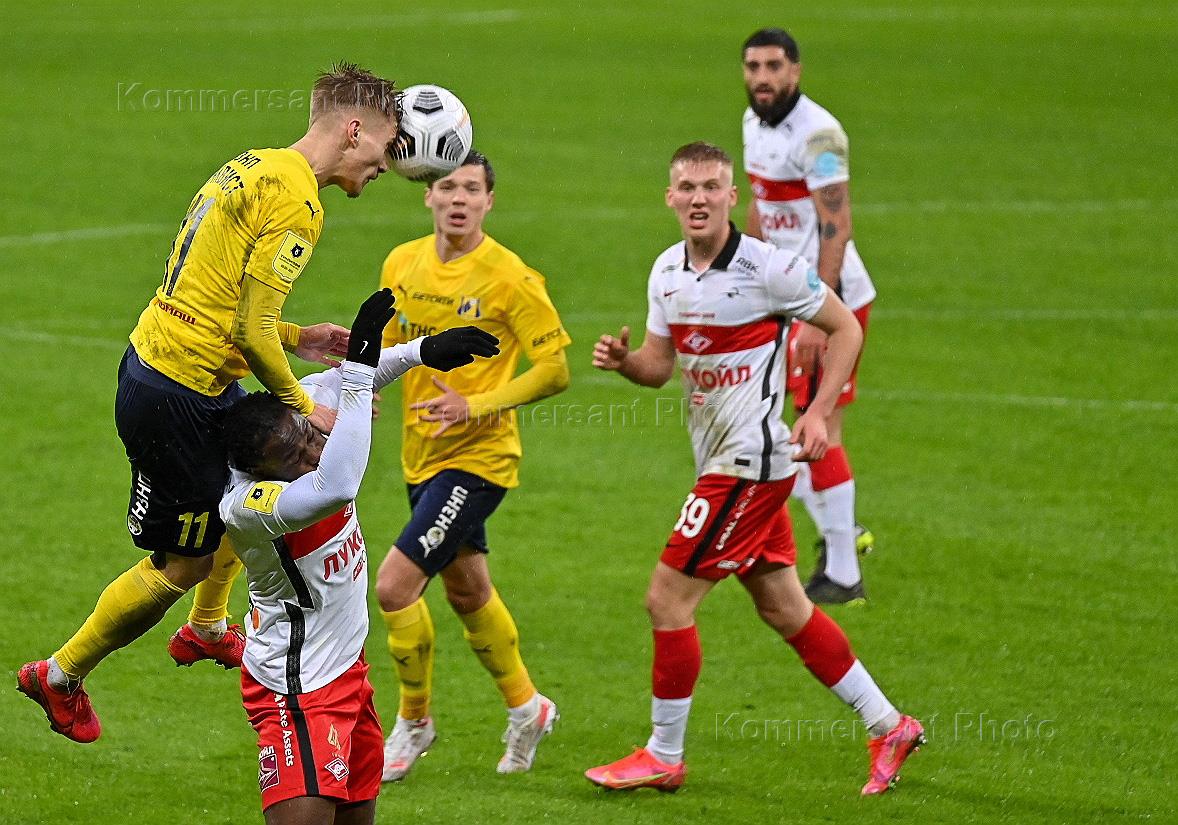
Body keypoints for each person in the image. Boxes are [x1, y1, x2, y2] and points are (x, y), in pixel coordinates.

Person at [18, 62, 404, 743]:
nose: (386, 163)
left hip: (175, 367)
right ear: (353, 130)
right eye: (384, 143)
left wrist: (300, 337)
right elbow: (251, 332)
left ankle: (207, 626)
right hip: (177, 396)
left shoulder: (253, 165)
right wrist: (304, 405)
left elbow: (217, 301)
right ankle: (59, 675)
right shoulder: (300, 204)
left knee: (248, 483)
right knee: (183, 562)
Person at [584, 143, 923, 796]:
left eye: (711, 186)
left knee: (667, 598)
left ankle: (664, 754)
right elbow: (659, 365)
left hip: (750, 465)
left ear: (731, 196)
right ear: (670, 197)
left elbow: (846, 329)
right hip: (723, 461)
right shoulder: (666, 271)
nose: (699, 198)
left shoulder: (770, 269)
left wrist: (818, 413)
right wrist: (625, 363)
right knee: (784, 606)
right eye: (687, 187)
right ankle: (890, 724)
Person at [220, 288, 498, 824]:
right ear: (261, 472)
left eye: (307, 435)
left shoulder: (293, 414)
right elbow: (338, 484)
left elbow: (350, 381)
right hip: (297, 689)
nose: (313, 451)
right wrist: (359, 374)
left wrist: (421, 352)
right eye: (293, 457)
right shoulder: (249, 508)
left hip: (349, 671)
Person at [373, 151, 571, 780]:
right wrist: (362, 389)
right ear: (428, 195)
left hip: (480, 460)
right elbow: (388, 343)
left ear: (489, 201)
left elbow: (554, 371)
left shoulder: (512, 278)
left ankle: (414, 722)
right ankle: (527, 707)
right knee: (467, 591)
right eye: (449, 187)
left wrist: (474, 406)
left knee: (395, 586)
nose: (459, 199)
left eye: (472, 190)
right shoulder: (401, 263)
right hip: (420, 455)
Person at [741, 28, 877, 603]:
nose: (762, 78)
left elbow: (835, 225)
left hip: (828, 299)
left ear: (795, 71)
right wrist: (740, 271)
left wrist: (823, 317)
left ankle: (843, 573)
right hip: (784, 297)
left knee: (820, 429)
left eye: (774, 66)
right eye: (753, 67)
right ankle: (840, 531)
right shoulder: (754, 123)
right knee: (782, 429)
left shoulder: (820, 135)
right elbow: (762, 204)